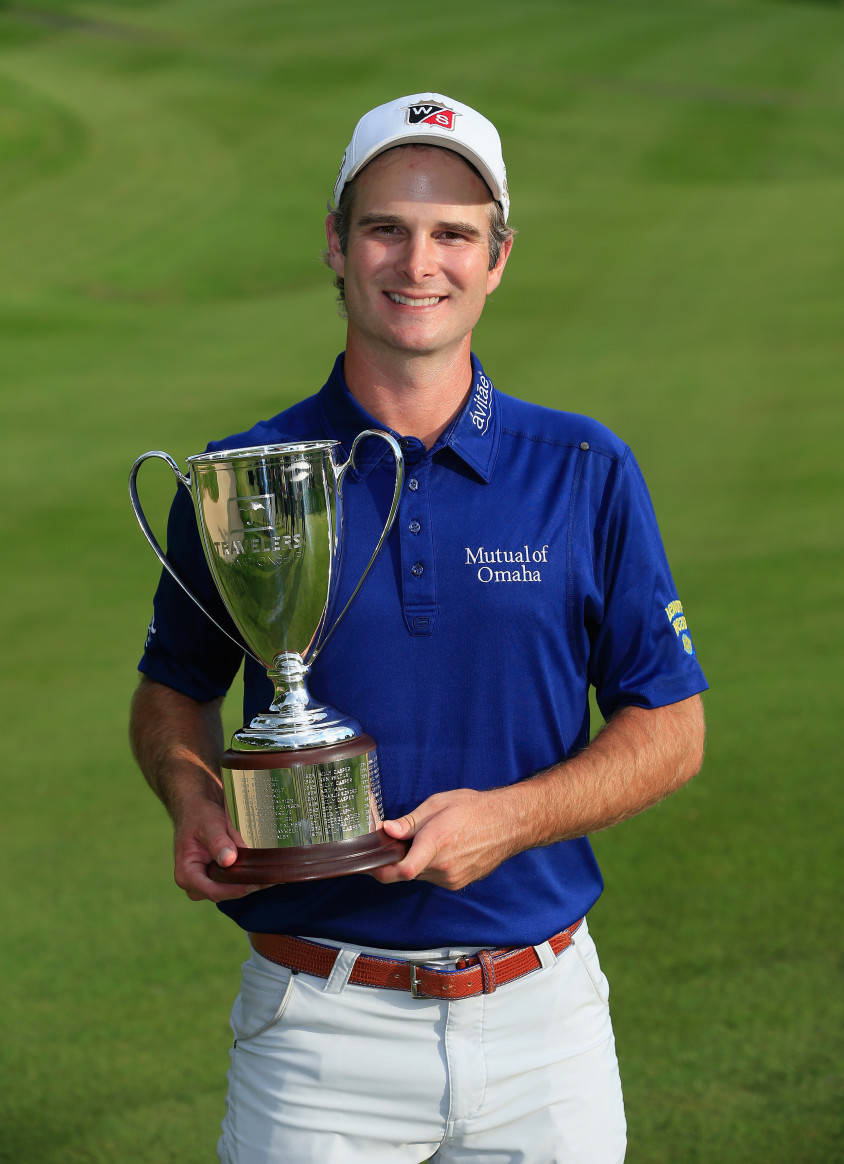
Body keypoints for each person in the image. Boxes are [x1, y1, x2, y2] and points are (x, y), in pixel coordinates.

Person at [130, 92, 707, 1163]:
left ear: (497, 257)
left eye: (453, 233)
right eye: (386, 227)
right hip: (316, 1031)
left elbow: (670, 728)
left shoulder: (584, 470)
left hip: (544, 1027)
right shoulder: (245, 481)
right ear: (336, 250)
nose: (418, 261)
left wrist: (514, 819)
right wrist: (191, 792)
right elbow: (174, 686)